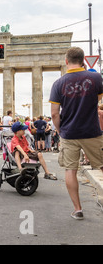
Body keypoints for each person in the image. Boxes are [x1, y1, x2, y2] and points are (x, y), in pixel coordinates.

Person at [50, 47, 103, 220]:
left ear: (66, 61)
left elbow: (54, 114)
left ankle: (78, 209)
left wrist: (60, 131)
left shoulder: (58, 83)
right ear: (83, 60)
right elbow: (98, 100)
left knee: (70, 170)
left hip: (69, 132)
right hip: (92, 131)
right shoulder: (95, 78)